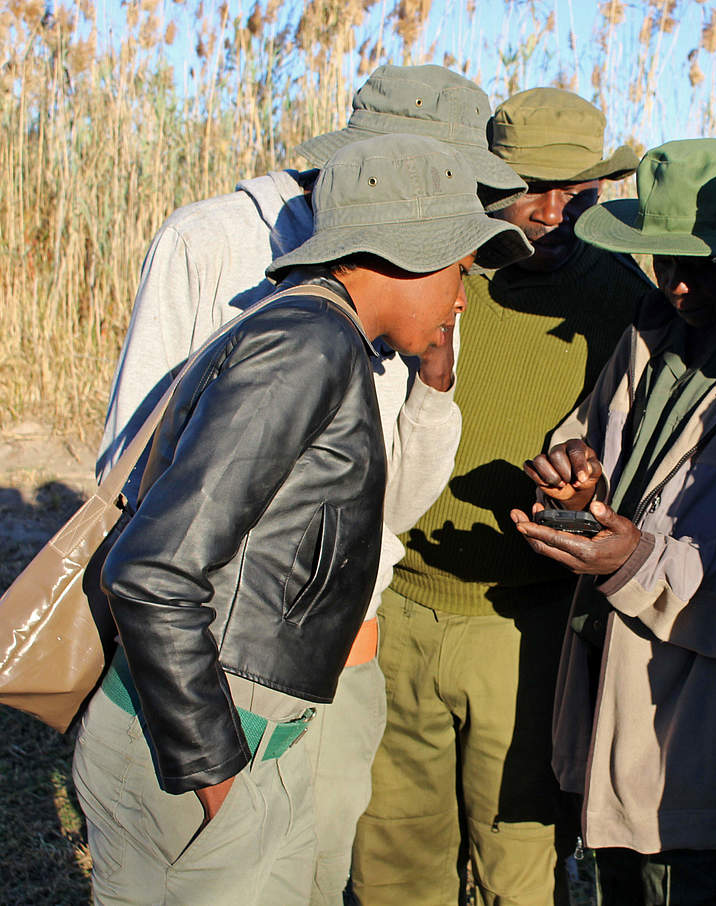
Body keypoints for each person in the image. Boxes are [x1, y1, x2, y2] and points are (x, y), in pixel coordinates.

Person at [93, 64, 526, 906]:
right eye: (461, 269)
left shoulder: (327, 331)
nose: (466, 299)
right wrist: (222, 774)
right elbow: (150, 570)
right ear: (409, 248)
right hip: (223, 716)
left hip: (274, 699)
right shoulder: (306, 343)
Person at [509, 138, 716, 905]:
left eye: (697, 265)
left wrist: (634, 562)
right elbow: (583, 448)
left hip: (699, 754)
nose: (676, 284)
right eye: (660, 260)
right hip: (606, 718)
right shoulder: (648, 337)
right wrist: (572, 483)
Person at [351, 87, 648, 906]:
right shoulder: (434, 276)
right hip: (400, 610)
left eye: (579, 191)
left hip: (530, 633)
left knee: (517, 873)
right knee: (394, 870)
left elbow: (648, 468)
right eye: (531, 187)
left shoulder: (624, 298)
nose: (555, 210)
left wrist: (591, 491)